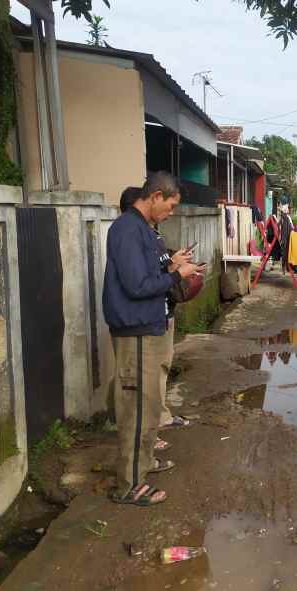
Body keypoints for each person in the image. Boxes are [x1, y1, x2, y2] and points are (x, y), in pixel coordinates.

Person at [104, 172, 201, 506]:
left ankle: (142, 466)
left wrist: (171, 265)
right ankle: (129, 484)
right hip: (138, 330)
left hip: (151, 326)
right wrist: (175, 274)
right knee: (136, 410)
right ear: (156, 196)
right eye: (170, 206)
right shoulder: (127, 230)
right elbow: (137, 286)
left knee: (148, 408)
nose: (171, 213)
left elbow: (148, 274)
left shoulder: (143, 230)